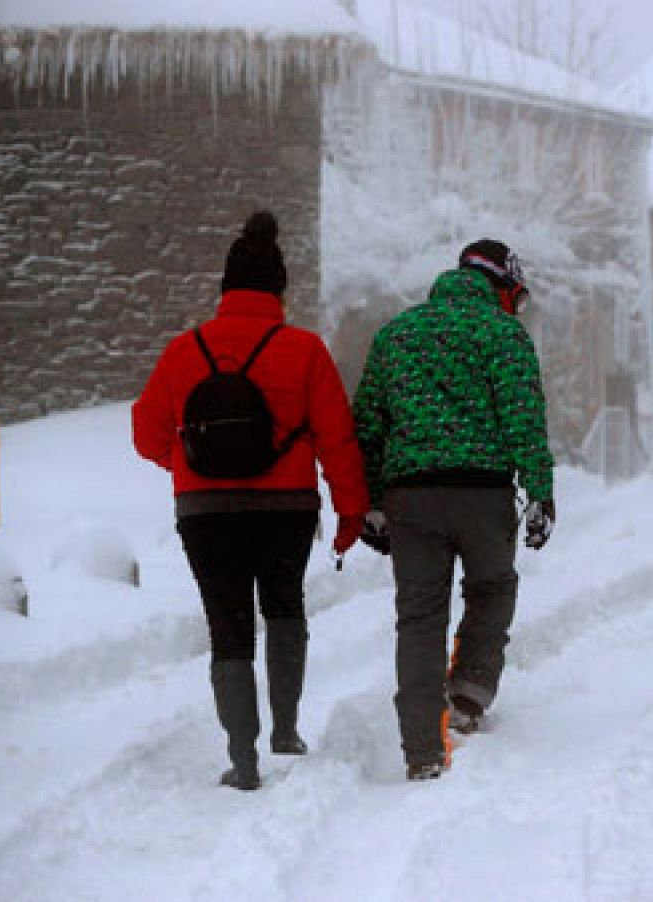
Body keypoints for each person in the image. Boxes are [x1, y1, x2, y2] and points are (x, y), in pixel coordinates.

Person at [132, 211, 369, 791]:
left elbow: (146, 434)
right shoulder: (305, 351)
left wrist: (186, 464)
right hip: (287, 507)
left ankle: (243, 759)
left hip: (206, 513)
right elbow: (338, 437)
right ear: (280, 292)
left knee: (228, 627)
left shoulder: (184, 352)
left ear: (225, 290)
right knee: (285, 606)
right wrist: (351, 510)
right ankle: (285, 730)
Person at [353, 239, 555, 782]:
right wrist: (539, 490)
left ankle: (421, 749)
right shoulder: (502, 333)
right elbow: (523, 417)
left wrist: (368, 503)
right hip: (482, 494)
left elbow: (367, 426)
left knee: (419, 616)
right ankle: (465, 697)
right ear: (503, 286)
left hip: (410, 495)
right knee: (492, 588)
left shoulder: (397, 334)